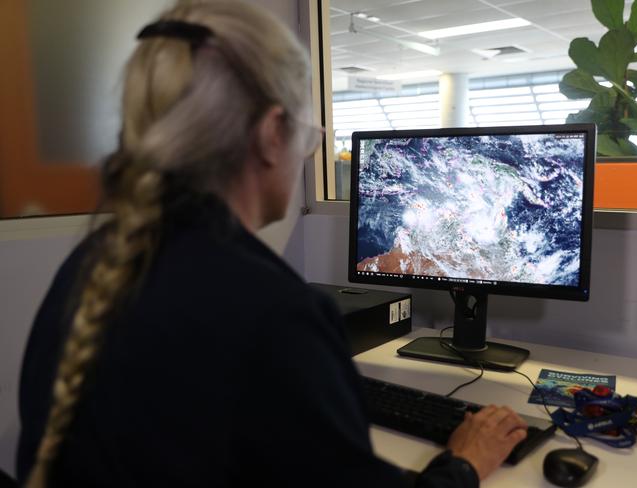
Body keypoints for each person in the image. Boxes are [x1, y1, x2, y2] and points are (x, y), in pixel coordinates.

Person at [16, 1, 528, 487]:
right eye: (305, 138)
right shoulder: (274, 318)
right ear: (270, 132)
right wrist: (463, 463)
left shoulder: (94, 264)